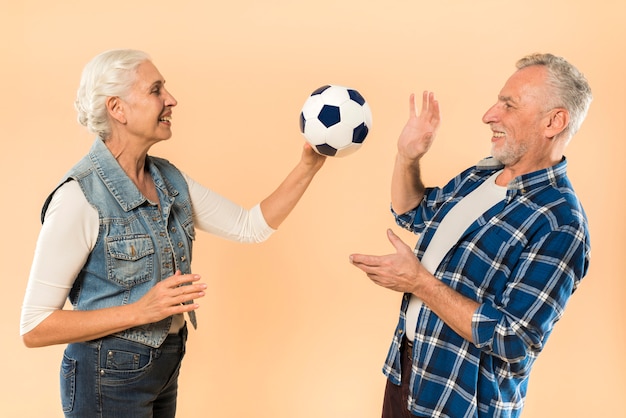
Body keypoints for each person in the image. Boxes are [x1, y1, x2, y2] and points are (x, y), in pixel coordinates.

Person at [20, 49, 326, 417]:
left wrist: (309, 165)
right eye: (156, 90)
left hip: (164, 366)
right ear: (117, 108)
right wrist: (138, 311)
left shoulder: (169, 180)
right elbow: (35, 326)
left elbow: (250, 227)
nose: (172, 100)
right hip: (106, 377)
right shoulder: (78, 198)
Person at [349, 53, 592, 417]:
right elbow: (413, 212)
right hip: (408, 374)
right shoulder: (482, 175)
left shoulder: (561, 223)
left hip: (460, 403)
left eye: (508, 105)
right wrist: (406, 157)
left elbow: (514, 339)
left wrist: (419, 282)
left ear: (554, 122)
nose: (489, 115)